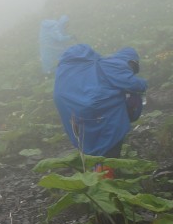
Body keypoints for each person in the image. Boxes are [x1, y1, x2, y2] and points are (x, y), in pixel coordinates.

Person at [53, 44, 147, 173]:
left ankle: (93, 173)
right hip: (101, 110)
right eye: (133, 67)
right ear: (131, 60)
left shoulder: (66, 69)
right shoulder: (114, 63)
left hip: (73, 110)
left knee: (89, 142)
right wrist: (143, 84)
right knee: (110, 144)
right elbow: (133, 84)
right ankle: (104, 181)